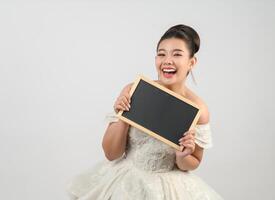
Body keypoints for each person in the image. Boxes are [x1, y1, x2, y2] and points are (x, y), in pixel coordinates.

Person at [67, 24, 223, 200]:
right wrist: (124, 117)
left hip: (168, 189)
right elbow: (111, 154)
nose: (167, 61)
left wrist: (182, 155)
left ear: (191, 62)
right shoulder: (136, 91)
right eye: (161, 54)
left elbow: (192, 163)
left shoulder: (198, 110)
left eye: (177, 54)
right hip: (126, 182)